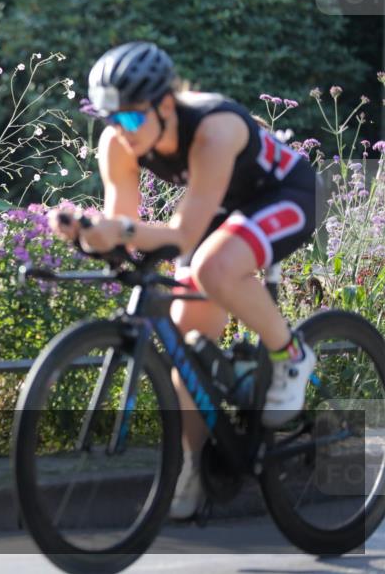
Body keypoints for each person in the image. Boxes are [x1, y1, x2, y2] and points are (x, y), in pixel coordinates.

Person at [50, 41, 321, 519]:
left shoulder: (214, 129)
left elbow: (182, 233)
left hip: (285, 194)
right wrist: (87, 232)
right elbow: (125, 228)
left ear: (166, 105)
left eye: (131, 118)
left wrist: (121, 230)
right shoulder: (118, 142)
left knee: (216, 267)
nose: (120, 130)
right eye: (110, 119)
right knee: (187, 343)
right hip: (217, 208)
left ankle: (291, 354)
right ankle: (193, 466)